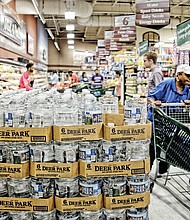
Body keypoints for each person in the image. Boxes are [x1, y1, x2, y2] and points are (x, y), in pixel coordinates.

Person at [147, 64, 190, 175]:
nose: (189, 78)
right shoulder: (166, 84)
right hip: (159, 123)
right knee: (154, 146)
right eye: (187, 75)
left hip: (174, 124)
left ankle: (162, 170)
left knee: (171, 147)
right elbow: (150, 97)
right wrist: (155, 103)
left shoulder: (188, 88)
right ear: (179, 74)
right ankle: (147, 172)